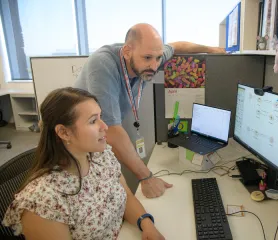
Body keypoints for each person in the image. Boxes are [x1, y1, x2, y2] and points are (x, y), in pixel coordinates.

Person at [74, 23, 226, 198]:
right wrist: (146, 177)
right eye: (147, 58)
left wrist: (210, 49)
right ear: (127, 52)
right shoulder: (103, 64)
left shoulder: (150, 57)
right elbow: (112, 131)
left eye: (158, 58)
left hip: (99, 140)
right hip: (77, 144)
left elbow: (176, 46)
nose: (154, 66)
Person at [2, 87, 165, 240]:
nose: (105, 126)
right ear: (64, 132)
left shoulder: (102, 156)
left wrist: (146, 224)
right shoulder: (42, 201)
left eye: (100, 117)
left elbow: (126, 196)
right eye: (93, 121)